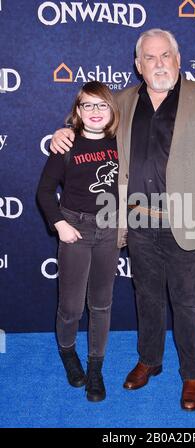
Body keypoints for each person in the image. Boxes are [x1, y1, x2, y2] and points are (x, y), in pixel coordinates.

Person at [50, 29, 195, 411]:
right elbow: (91, 128)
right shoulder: (120, 102)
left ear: (177, 58)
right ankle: (150, 360)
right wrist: (63, 134)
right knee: (147, 297)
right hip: (136, 216)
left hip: (186, 217)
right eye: (149, 58)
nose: (158, 64)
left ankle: (192, 374)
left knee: (188, 302)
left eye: (165, 55)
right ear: (138, 65)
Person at [37, 81, 120, 402]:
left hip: (109, 229)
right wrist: (60, 224)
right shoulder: (66, 145)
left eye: (101, 105)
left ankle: (96, 368)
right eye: (88, 105)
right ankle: (68, 352)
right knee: (71, 306)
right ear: (78, 111)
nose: (95, 111)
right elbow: (44, 192)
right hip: (75, 228)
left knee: (101, 303)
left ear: (112, 110)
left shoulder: (120, 142)